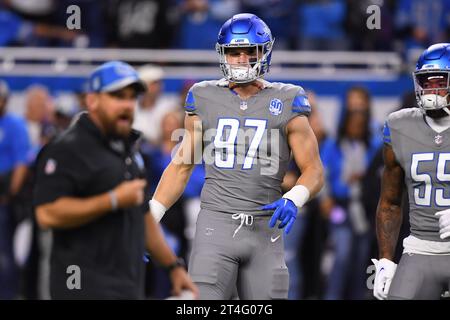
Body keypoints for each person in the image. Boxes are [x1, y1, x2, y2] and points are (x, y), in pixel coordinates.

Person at [149, 13, 324, 300]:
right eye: (234, 52)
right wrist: (152, 215)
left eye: (249, 51)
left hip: (265, 228)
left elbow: (314, 170)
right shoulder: (203, 96)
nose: (242, 59)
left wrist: (295, 197)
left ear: (264, 52)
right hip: (214, 226)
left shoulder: (288, 98)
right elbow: (181, 166)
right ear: (223, 55)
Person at [33, 61, 198, 299]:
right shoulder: (67, 149)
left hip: (126, 284)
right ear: (93, 100)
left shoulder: (128, 149)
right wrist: (111, 200)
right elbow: (47, 214)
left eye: (132, 97)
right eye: (117, 96)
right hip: (81, 285)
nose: (127, 105)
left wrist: (173, 266)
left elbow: (142, 217)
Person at [372, 43, 450, 300]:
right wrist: (385, 260)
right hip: (420, 248)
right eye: (426, 83)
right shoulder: (400, 125)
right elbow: (391, 202)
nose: (431, 90)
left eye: (440, 82)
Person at [0, 80, 31, 299]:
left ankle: (8, 295)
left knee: (4, 252)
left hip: (4, 198)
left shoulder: (14, 124)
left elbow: (22, 164)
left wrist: (9, 195)